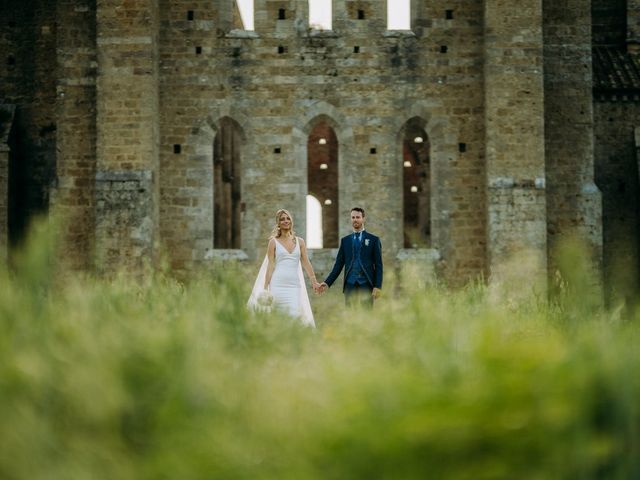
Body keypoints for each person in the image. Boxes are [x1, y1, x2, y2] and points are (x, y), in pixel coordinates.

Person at [248, 209, 320, 327]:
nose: (286, 221)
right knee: (279, 316)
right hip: (277, 284)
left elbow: (306, 262)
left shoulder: (300, 241)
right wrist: (265, 288)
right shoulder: (273, 242)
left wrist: (314, 281)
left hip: (294, 285)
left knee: (294, 315)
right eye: (282, 219)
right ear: (278, 223)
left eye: (288, 218)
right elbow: (270, 265)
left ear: (291, 221)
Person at [319, 207, 383, 306]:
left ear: (363, 219)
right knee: (349, 316)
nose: (355, 219)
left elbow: (379, 265)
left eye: (358, 217)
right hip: (350, 284)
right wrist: (327, 282)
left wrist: (377, 286)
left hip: (366, 284)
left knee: (367, 317)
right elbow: (338, 265)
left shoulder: (374, 240)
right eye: (353, 217)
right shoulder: (345, 240)